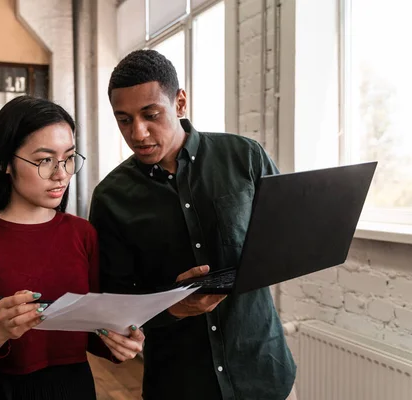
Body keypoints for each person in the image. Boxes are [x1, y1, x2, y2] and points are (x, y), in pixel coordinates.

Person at [89, 50, 297, 399]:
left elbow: (287, 238)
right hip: (179, 383)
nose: (138, 133)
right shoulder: (111, 197)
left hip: (263, 374)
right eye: (123, 120)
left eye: (150, 115)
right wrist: (173, 306)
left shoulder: (245, 157)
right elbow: (116, 300)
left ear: (180, 102)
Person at [0, 95, 145, 400]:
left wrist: (121, 342)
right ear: (4, 162)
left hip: (76, 390)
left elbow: (91, 333)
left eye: (69, 157)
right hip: (0, 392)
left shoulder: (82, 234)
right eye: (45, 160)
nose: (61, 174)